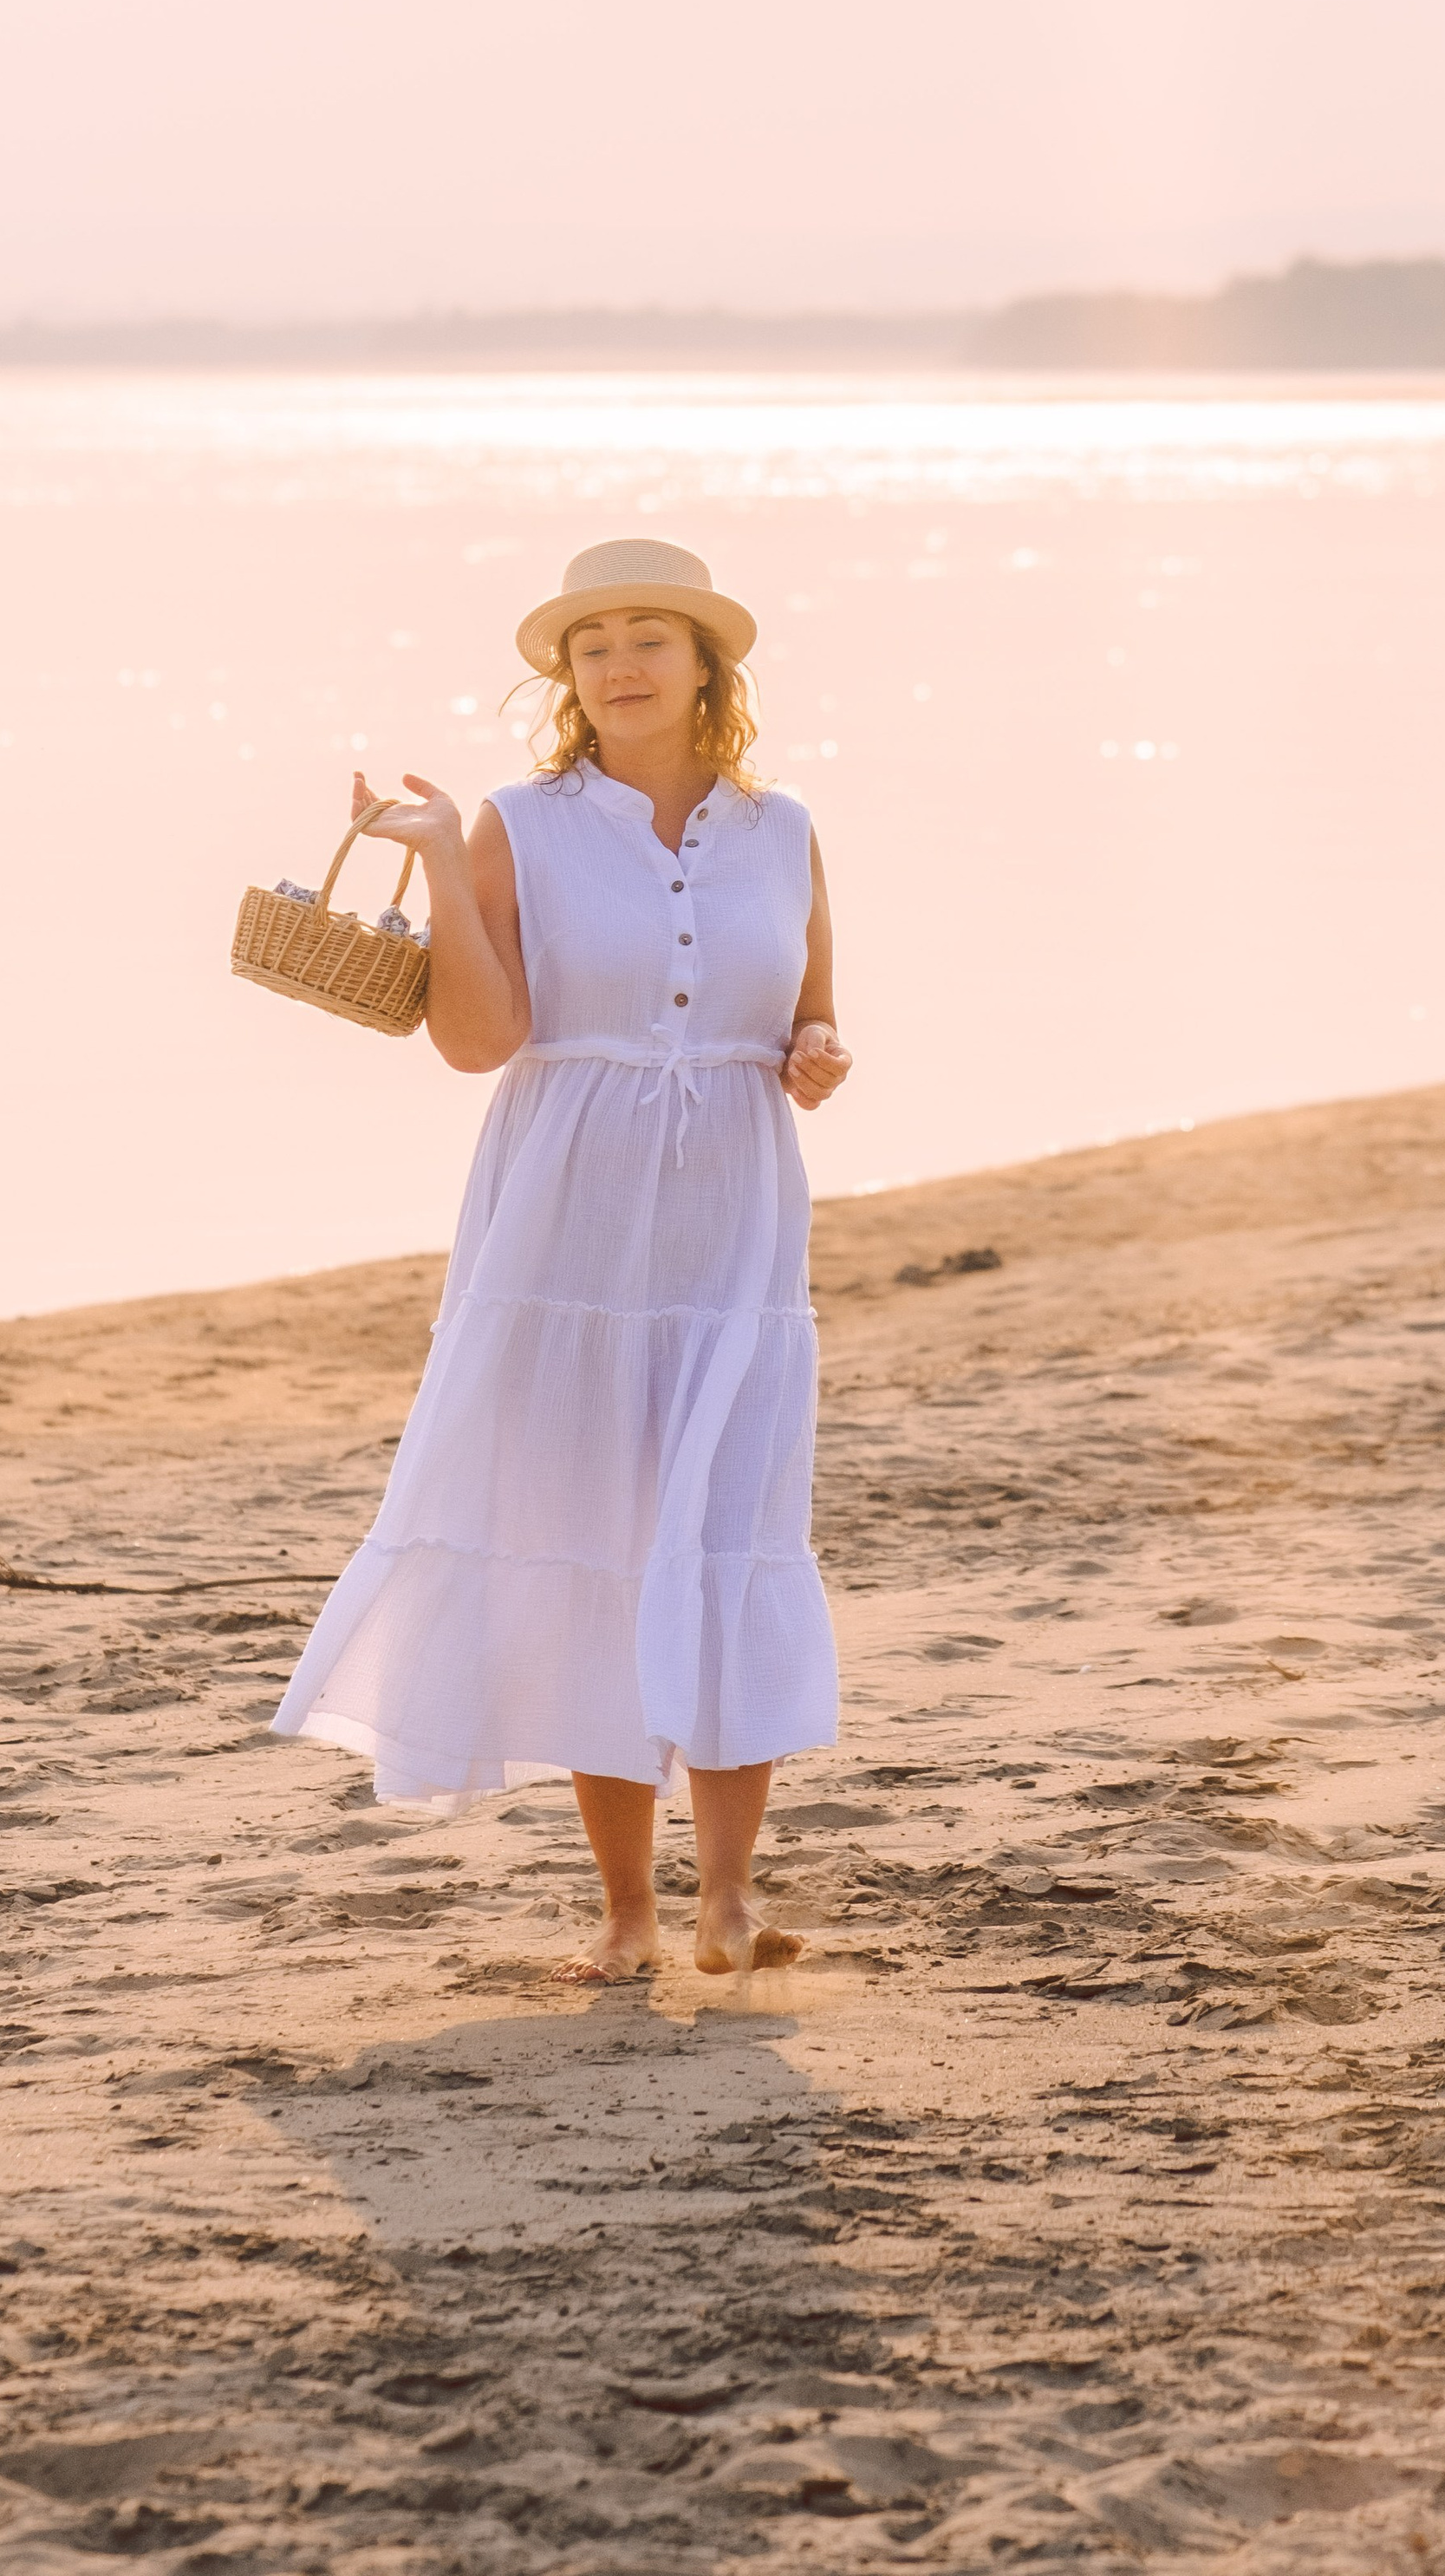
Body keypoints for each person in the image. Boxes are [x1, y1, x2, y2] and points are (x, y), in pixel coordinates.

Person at [271, 537, 852, 1981]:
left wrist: (820, 1054)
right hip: (565, 1224)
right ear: (568, 678)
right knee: (600, 1545)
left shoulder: (784, 831)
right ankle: (626, 1912)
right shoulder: (518, 829)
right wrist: (438, 862)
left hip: (736, 1222)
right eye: (594, 647)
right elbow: (477, 1042)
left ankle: (724, 1898)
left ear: (710, 667)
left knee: (729, 1535)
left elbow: (811, 1022)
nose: (621, 666)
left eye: (652, 638)